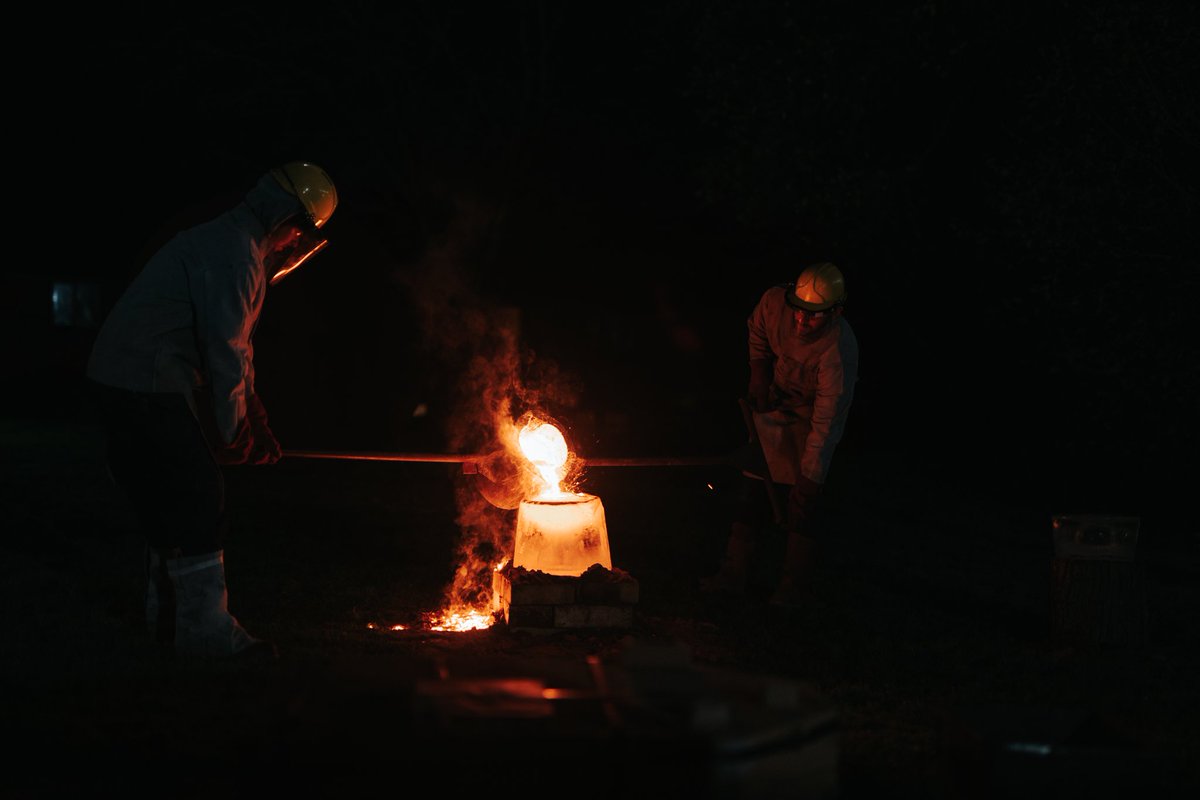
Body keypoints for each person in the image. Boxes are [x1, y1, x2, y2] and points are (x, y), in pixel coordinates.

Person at [86, 162, 338, 660]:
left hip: (122, 380)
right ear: (288, 219)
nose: (292, 244)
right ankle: (204, 633)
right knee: (198, 493)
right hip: (144, 384)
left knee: (166, 499)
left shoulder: (227, 241)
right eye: (296, 232)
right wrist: (233, 432)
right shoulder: (236, 257)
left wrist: (253, 416)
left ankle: (167, 624)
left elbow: (235, 349)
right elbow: (224, 352)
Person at [702, 261, 858, 608]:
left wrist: (810, 477)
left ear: (836, 311)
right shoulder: (774, 303)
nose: (802, 321)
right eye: (799, 311)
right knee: (751, 491)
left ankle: (792, 588)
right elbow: (757, 330)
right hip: (774, 409)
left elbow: (827, 422)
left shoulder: (838, 351)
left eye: (814, 315)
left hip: (811, 420)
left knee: (804, 505)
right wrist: (759, 373)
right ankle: (732, 575)